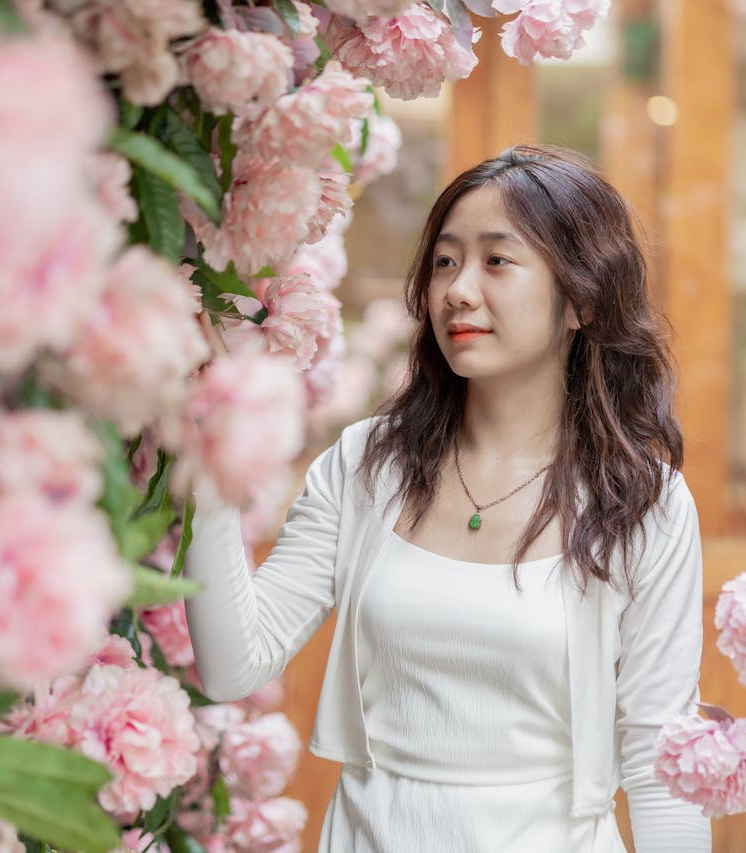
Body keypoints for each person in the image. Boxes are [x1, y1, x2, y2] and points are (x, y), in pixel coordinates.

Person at [183, 145, 710, 852]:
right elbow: (232, 664)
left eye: (497, 260)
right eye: (444, 262)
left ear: (582, 299)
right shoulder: (366, 465)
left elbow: (657, 761)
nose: (457, 290)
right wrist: (203, 449)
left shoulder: (642, 502)